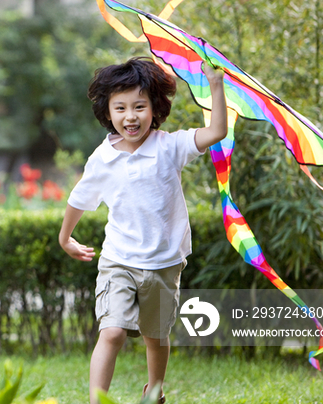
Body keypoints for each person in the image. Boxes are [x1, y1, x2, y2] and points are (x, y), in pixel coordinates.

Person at [58, 57, 226, 404]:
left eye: (139, 106)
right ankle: (97, 400)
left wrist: (215, 86)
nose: (129, 116)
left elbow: (216, 132)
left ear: (155, 108)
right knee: (113, 331)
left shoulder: (170, 147)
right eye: (120, 108)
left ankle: (155, 390)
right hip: (119, 260)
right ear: (108, 111)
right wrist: (65, 238)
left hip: (164, 263)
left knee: (156, 335)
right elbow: (79, 198)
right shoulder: (103, 158)